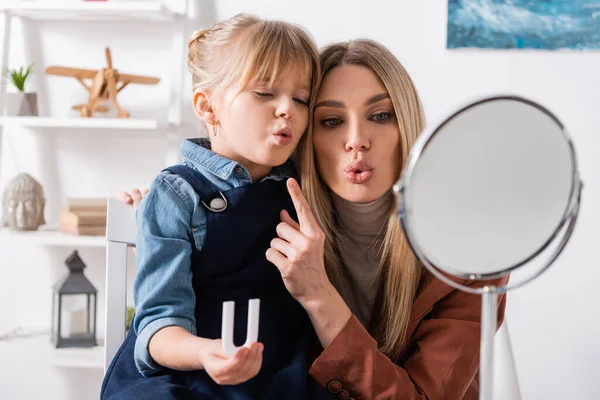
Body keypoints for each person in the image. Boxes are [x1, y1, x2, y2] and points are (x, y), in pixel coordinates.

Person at [118, 39, 508, 399]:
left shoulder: (467, 257)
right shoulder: (267, 209)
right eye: (331, 121)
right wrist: (165, 212)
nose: (357, 140)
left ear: (406, 126)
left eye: (381, 114)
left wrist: (317, 293)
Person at [101, 13, 333, 400]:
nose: (287, 109)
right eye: (264, 93)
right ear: (208, 108)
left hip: (278, 374)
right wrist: (207, 352)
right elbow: (157, 329)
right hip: (186, 370)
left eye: (301, 98)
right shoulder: (176, 193)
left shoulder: (307, 185)